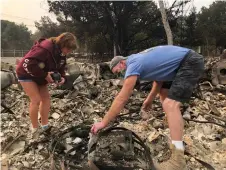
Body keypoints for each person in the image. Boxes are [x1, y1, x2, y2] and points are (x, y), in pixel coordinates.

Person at [91, 45, 204, 170]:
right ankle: (175, 132)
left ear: (122, 63)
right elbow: (158, 81)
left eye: (118, 72)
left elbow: (122, 98)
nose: (120, 75)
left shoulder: (133, 64)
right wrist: (149, 100)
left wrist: (103, 122)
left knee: (170, 105)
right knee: (164, 97)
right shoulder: (139, 59)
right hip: (177, 65)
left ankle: (178, 160)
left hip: (189, 62)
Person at [16, 32, 77, 138]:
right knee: (36, 100)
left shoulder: (61, 54)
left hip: (40, 75)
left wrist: (62, 77)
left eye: (70, 50)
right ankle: (34, 129)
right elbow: (29, 63)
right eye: (68, 49)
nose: (69, 52)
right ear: (62, 44)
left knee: (46, 99)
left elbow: (61, 67)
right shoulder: (45, 48)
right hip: (26, 72)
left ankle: (45, 125)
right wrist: (45, 75)